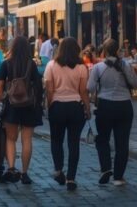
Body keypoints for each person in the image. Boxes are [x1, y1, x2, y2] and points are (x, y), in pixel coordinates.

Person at [88, 39, 137, 186]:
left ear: (104, 52)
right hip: (124, 106)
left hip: (105, 105)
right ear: (118, 51)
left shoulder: (98, 67)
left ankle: (105, 168)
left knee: (102, 139)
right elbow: (135, 84)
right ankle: (118, 177)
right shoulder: (126, 65)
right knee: (122, 143)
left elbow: (90, 87)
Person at [0, 36, 43, 184]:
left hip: (11, 106)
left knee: (10, 139)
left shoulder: (6, 64)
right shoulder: (31, 64)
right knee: (26, 140)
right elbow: (38, 86)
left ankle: (12, 168)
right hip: (29, 106)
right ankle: (25, 173)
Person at [43, 37, 90, 192]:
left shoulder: (51, 65)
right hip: (75, 106)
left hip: (57, 106)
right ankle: (71, 177)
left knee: (56, 140)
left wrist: (49, 106)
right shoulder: (81, 67)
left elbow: (49, 90)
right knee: (73, 142)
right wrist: (87, 108)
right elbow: (83, 91)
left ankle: (58, 169)